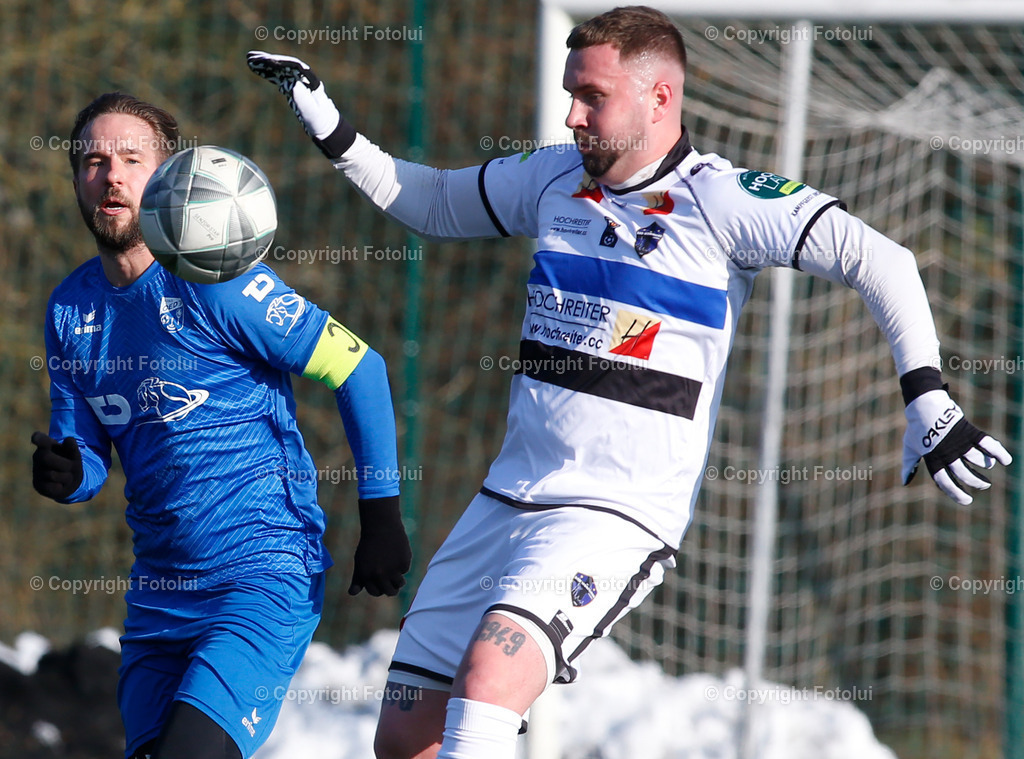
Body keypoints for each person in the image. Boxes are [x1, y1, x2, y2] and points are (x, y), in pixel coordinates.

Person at [248, 6, 1012, 758]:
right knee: (406, 734)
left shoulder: (724, 200)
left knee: (487, 683)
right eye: (570, 94)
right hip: (505, 498)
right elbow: (434, 202)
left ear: (659, 99)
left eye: (592, 97)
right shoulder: (552, 178)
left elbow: (883, 261)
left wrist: (928, 395)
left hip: (612, 514)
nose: (573, 116)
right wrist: (329, 123)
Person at [30, 92, 412, 759]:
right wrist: (68, 473)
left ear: (169, 177)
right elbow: (86, 451)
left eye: (130, 158)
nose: (111, 175)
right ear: (75, 180)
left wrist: (380, 514)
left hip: (261, 577)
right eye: (93, 160)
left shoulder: (217, 280)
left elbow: (361, 368)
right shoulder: (71, 309)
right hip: (159, 597)